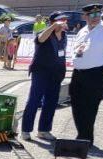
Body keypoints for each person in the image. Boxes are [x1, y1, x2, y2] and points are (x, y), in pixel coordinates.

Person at [69, 3, 103, 145]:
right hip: (79, 73)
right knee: (76, 103)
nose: (95, 17)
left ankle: (85, 139)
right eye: (92, 15)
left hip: (96, 73)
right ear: (84, 16)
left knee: (89, 106)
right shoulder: (83, 30)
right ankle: (82, 134)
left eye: (98, 14)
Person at [20, 12, 69, 141]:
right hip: (41, 71)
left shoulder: (64, 35)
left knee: (51, 102)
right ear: (53, 22)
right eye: (61, 20)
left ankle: (44, 130)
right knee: (34, 100)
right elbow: (40, 39)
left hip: (56, 73)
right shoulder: (45, 32)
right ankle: (25, 130)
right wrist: (53, 27)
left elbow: (62, 53)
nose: (64, 22)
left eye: (65, 20)